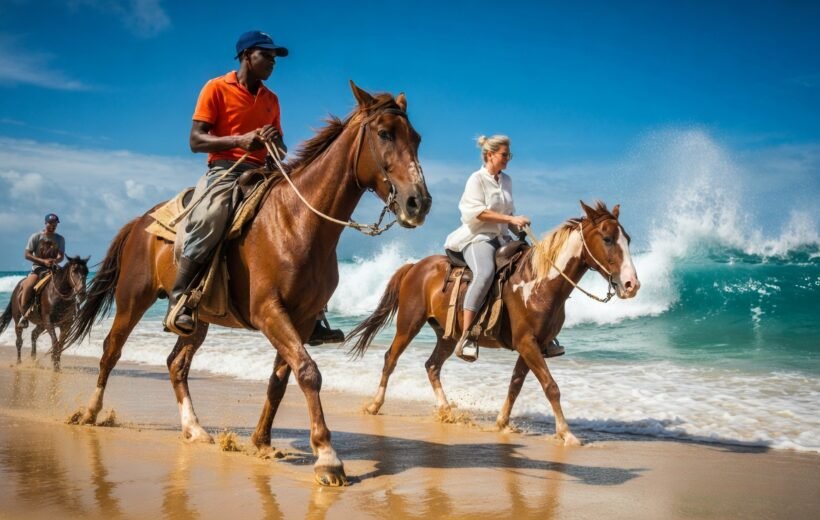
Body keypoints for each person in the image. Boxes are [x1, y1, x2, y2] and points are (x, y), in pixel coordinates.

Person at [166, 30, 344, 345]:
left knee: (307, 224)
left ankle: (314, 314)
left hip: (264, 171)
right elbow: (195, 140)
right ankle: (180, 299)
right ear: (247, 55)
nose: (273, 63)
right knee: (210, 216)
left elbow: (281, 149)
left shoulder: (271, 99)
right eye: (267, 56)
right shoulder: (216, 87)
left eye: (275, 58)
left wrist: (275, 142)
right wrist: (240, 140)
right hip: (225, 170)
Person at [444, 135, 564, 362]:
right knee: (485, 273)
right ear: (490, 155)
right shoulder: (476, 179)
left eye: (509, 155)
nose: (508, 158)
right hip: (477, 237)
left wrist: (518, 227)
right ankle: (467, 336)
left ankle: (543, 335)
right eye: (504, 155)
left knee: (533, 268)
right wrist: (511, 219)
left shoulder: (507, 180)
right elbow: (476, 213)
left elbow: (508, 213)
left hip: (503, 238)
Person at [19, 213, 65, 328]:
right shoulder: (36, 236)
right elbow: (27, 254)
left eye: (55, 223)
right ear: (45, 223)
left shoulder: (60, 239)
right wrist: (43, 261)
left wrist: (55, 260)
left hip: (53, 267)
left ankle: (73, 309)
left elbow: (61, 256)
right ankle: (24, 315)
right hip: (38, 268)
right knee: (29, 285)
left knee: (68, 281)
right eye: (50, 223)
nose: (53, 225)